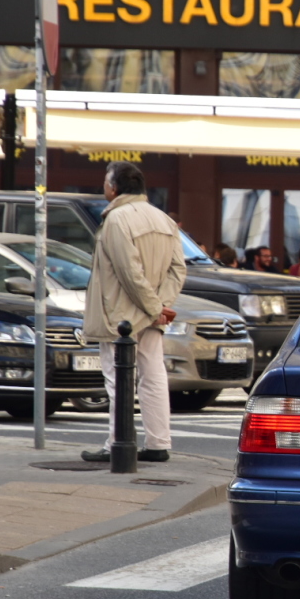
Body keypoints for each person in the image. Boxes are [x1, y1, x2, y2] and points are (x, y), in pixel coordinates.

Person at [81, 161, 184, 464]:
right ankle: (158, 443)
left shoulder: (116, 219)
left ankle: (117, 442)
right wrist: (160, 307)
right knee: (153, 377)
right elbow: (178, 269)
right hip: (150, 315)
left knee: (117, 379)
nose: (103, 187)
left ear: (114, 187)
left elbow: (128, 271)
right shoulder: (164, 219)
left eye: (105, 182)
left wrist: (154, 308)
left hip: (120, 315)